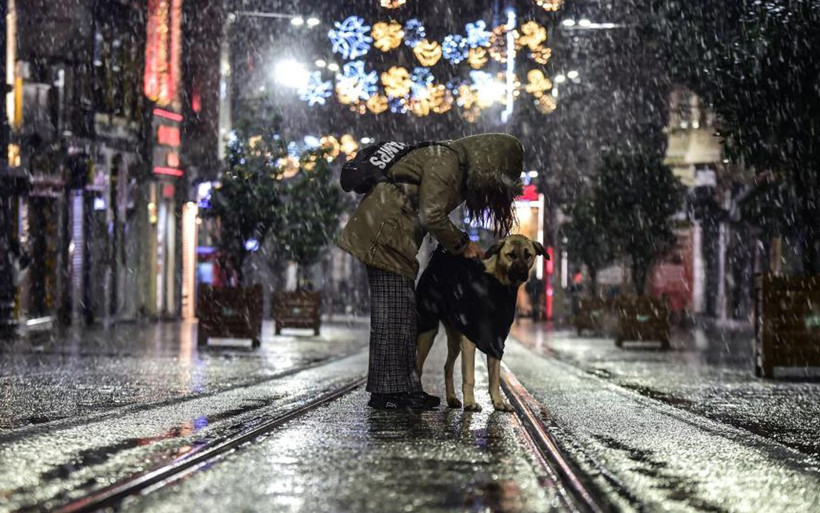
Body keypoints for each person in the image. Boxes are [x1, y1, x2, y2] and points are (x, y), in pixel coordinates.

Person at [338, 133, 524, 410]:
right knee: (394, 312)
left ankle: (399, 388)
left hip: (391, 233)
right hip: (384, 232)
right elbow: (431, 214)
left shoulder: (452, 163)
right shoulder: (447, 162)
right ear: (489, 164)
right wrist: (462, 243)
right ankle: (391, 391)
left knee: (400, 312)